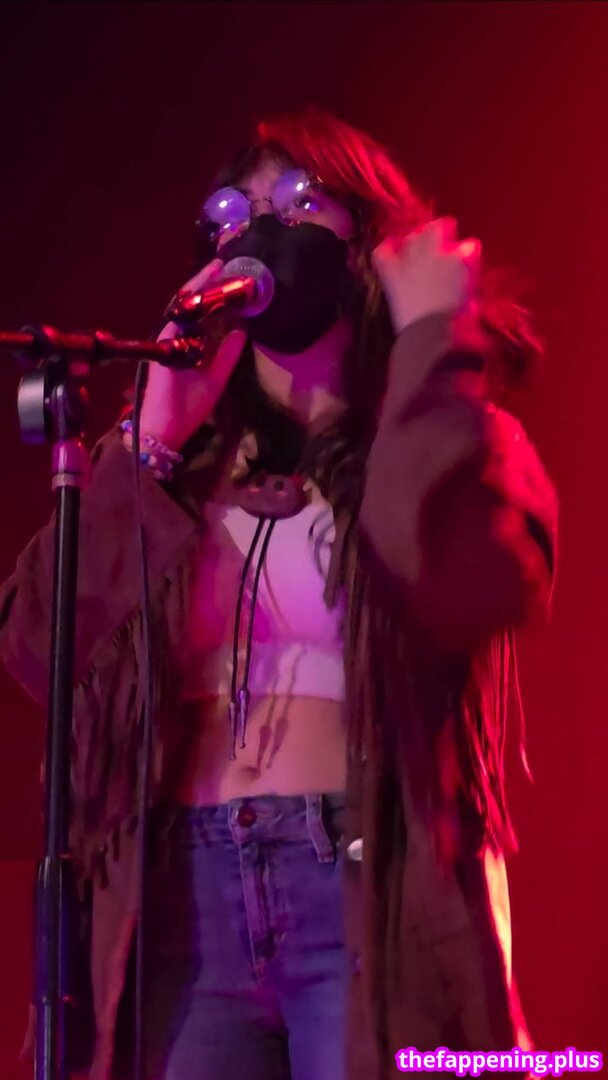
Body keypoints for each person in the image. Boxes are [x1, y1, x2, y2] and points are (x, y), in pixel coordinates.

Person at [0, 109, 557, 1080]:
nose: (261, 227)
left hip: (360, 883)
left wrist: (432, 345)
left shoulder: (451, 436)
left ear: (366, 243)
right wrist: (148, 447)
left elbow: (467, 583)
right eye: (234, 211)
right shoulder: (175, 462)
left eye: (300, 203)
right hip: (184, 897)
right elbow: (39, 649)